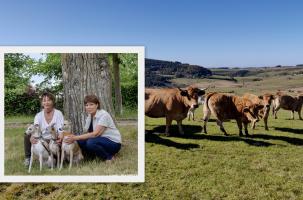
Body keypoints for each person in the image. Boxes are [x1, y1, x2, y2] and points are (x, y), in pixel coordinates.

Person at [64, 94, 121, 162]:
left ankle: (108, 157)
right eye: (86, 105)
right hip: (100, 141)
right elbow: (87, 133)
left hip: (113, 143)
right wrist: (74, 137)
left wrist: (76, 137)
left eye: (91, 104)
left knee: (91, 143)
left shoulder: (103, 115)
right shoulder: (89, 116)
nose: (88, 107)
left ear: (97, 105)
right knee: (80, 141)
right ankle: (91, 156)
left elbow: (95, 134)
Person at [24, 92, 64, 166]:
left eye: (49, 100)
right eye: (44, 100)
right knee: (27, 136)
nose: (46, 102)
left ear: (53, 101)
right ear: (42, 103)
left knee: (55, 160)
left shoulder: (58, 113)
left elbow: (60, 128)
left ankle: (56, 159)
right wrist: (32, 137)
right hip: (42, 139)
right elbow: (36, 127)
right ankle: (28, 158)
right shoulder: (38, 115)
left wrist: (61, 136)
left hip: (54, 139)